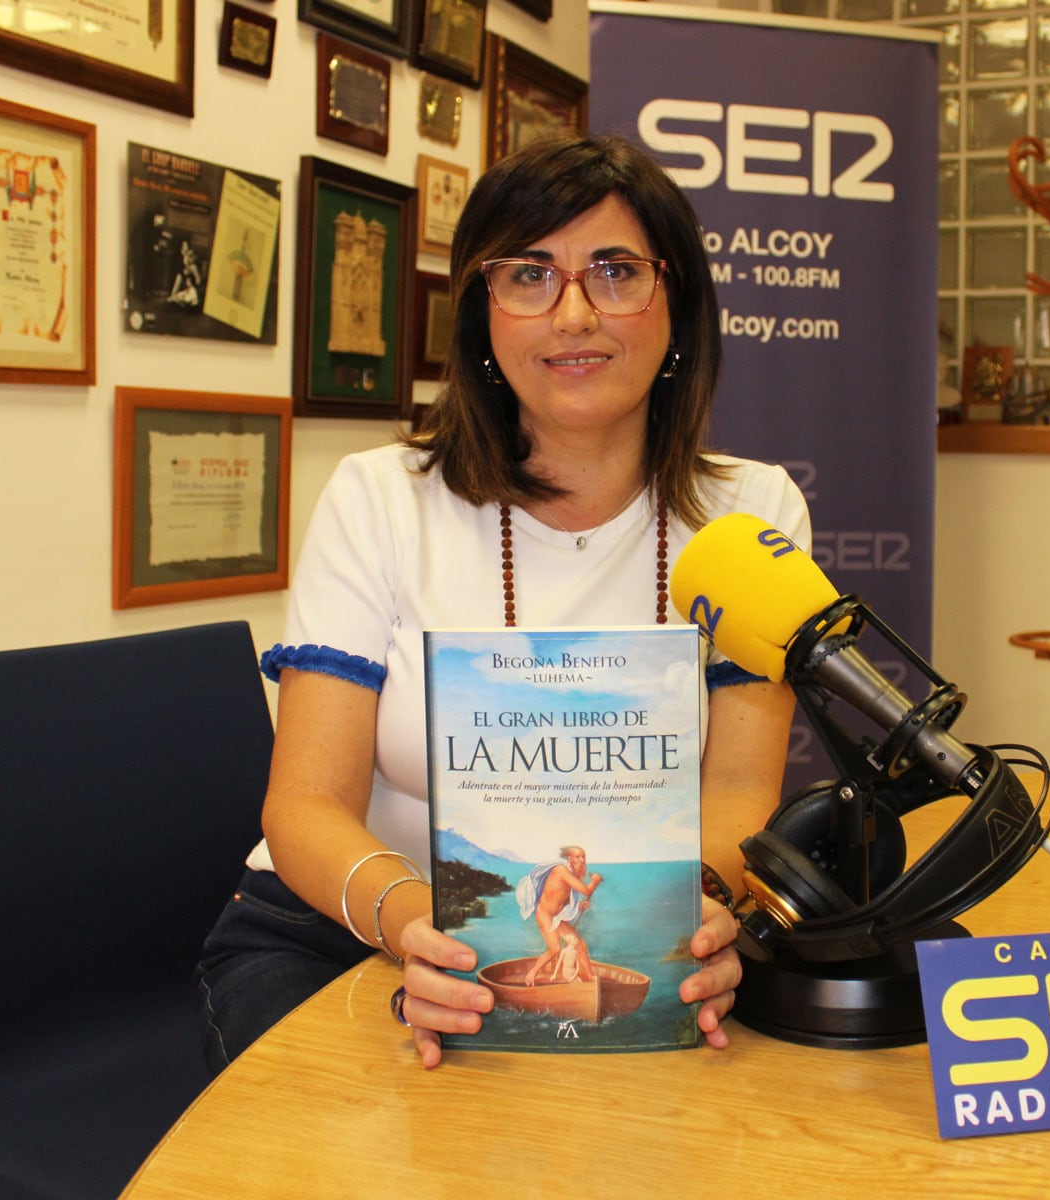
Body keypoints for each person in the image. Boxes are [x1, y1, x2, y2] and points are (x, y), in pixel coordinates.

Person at [194, 132, 811, 1072]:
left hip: (629, 953)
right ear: (482, 312)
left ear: (676, 303)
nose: (572, 314)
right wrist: (423, 935)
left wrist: (694, 919)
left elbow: (735, 793)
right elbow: (306, 807)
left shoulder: (750, 512)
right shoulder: (379, 498)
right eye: (528, 275)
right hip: (345, 932)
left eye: (615, 272)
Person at [518, 847, 603, 986]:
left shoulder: (572, 874)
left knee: (581, 944)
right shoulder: (562, 871)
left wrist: (580, 905)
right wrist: (595, 880)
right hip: (545, 915)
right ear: (570, 859)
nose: (582, 860)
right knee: (555, 948)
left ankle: (590, 978)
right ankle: (533, 972)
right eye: (578, 857)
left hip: (557, 916)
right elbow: (586, 890)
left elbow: (562, 898)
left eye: (583, 856)